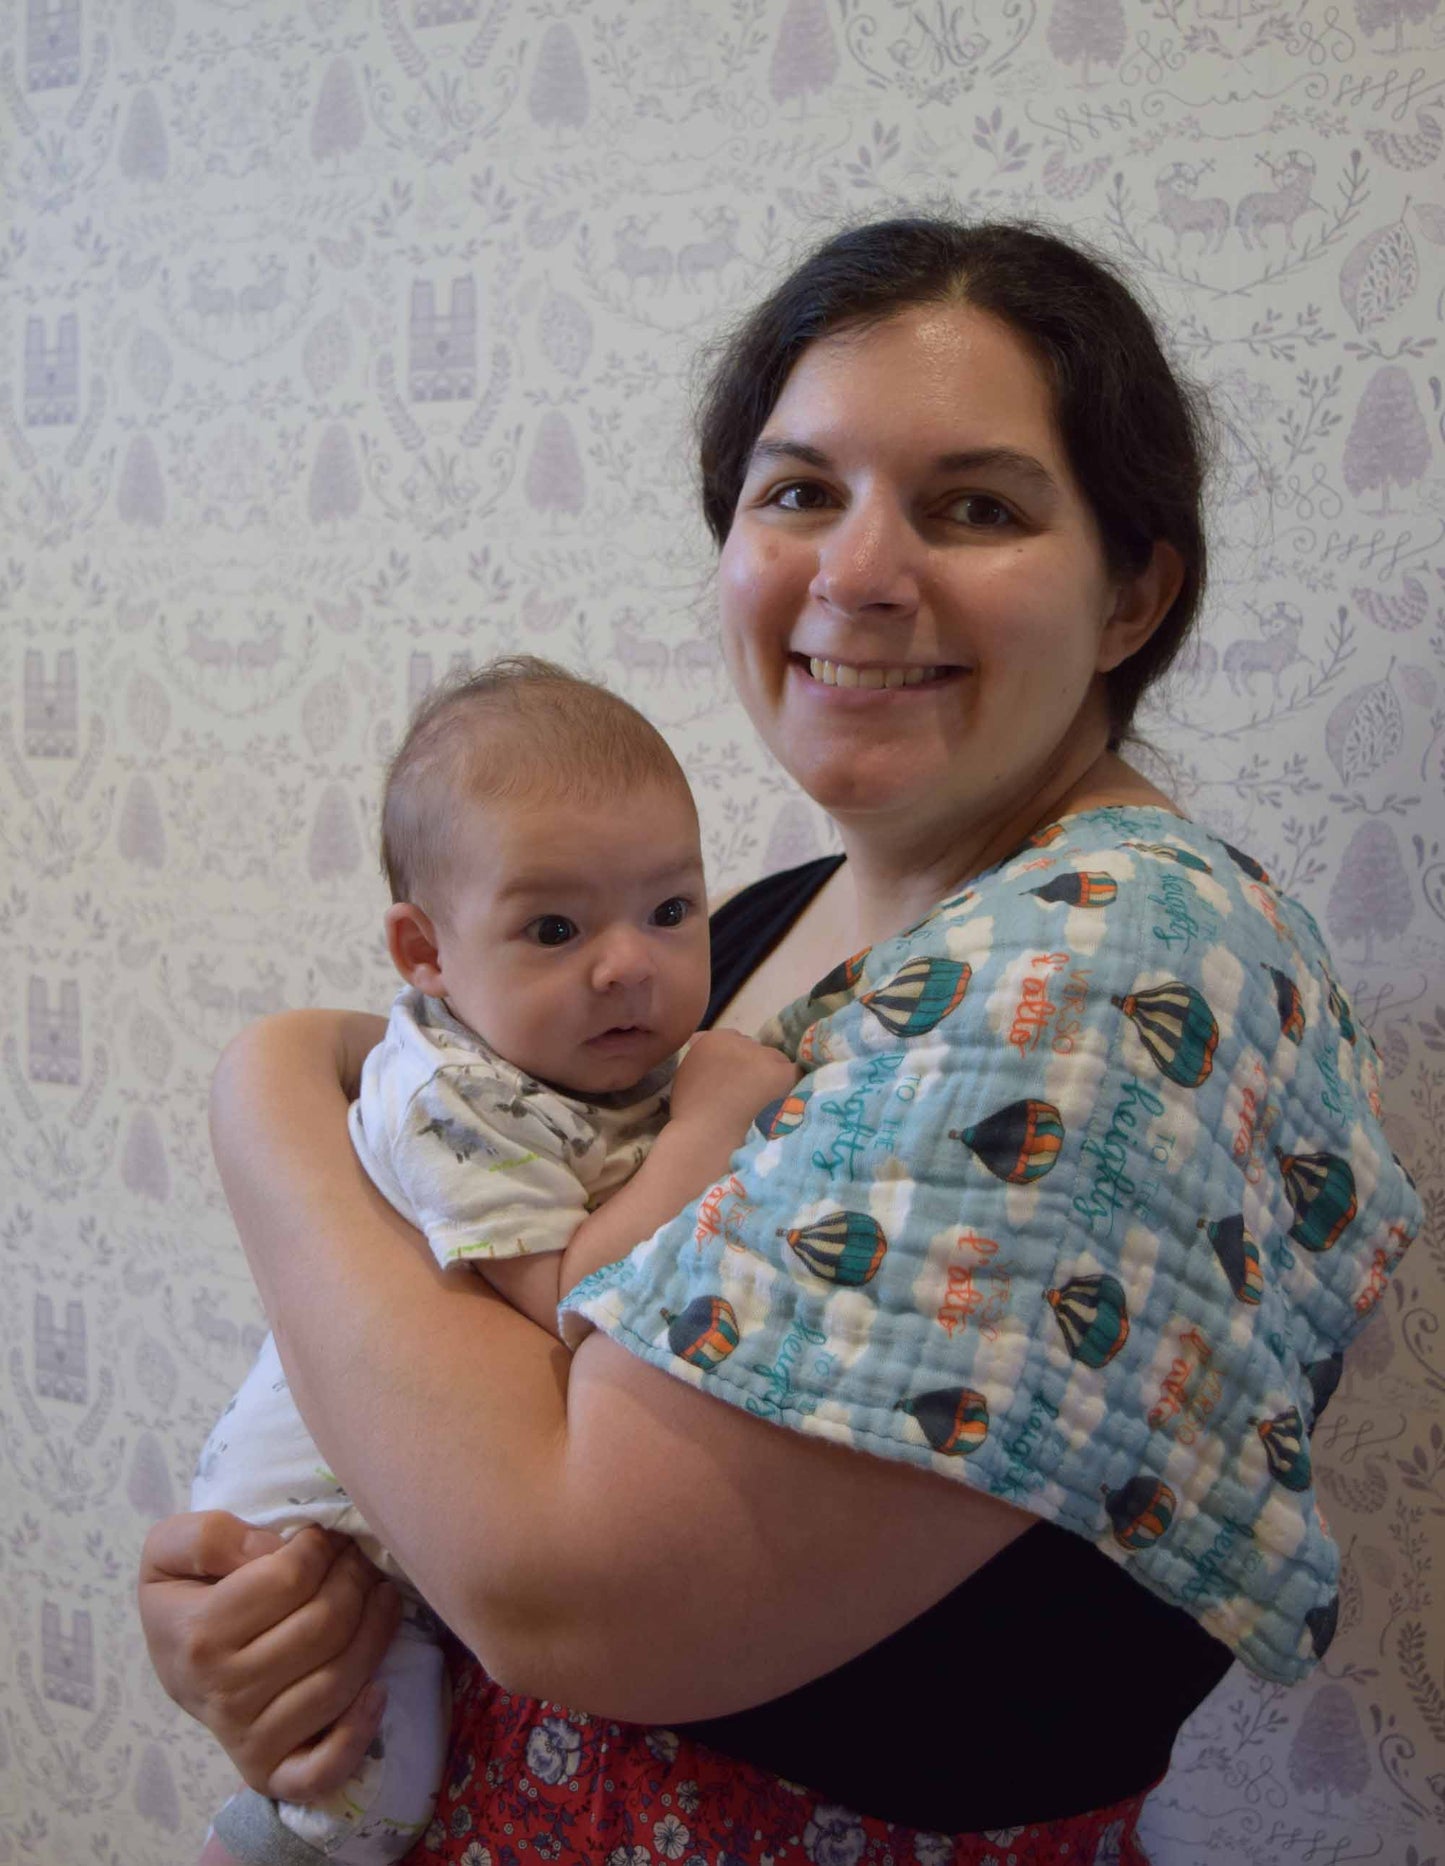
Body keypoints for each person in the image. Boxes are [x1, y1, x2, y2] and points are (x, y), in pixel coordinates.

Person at [139, 218, 1423, 1866]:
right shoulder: (745, 930)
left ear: (1135, 592)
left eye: (976, 505)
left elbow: (560, 1583)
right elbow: (454, 1376)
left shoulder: (1111, 971)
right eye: (799, 491)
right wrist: (279, 1608)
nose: (858, 574)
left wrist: (261, 1101)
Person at [189, 659, 798, 1864]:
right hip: (320, 1524)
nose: (628, 964)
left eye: (671, 910)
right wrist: (708, 1132)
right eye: (555, 928)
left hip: (430, 1486)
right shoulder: (444, 1098)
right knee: (364, 1785)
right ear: (425, 950)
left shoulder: (590, 1057)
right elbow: (571, 1298)